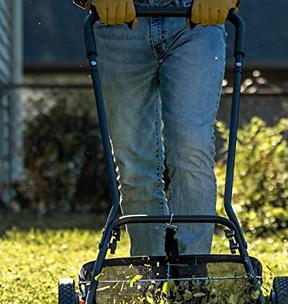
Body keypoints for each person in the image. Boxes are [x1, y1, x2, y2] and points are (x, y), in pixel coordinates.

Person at [73, 0, 239, 257]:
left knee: (191, 147)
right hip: (119, 21)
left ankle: (193, 274)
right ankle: (148, 269)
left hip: (194, 20)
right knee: (133, 158)